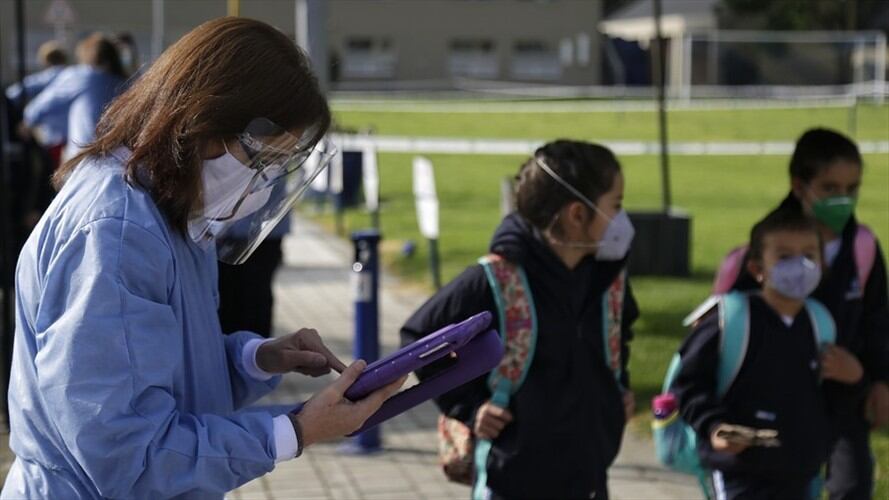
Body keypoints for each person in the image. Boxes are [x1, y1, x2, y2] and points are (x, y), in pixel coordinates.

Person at [2, 18, 402, 499]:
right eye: (260, 161)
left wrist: (258, 358)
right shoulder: (117, 234)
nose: (263, 184)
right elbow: (129, 456)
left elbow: (162, 372)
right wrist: (294, 430)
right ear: (203, 122)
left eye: (277, 167)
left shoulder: (169, 208)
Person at [401, 140, 639, 499]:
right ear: (577, 215)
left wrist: (616, 385)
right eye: (616, 205)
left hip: (589, 475)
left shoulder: (609, 280)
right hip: (511, 478)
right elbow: (418, 337)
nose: (622, 219)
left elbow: (620, 331)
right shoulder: (498, 279)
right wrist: (471, 407)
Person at [715, 128, 889, 499]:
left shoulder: (863, 247)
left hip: (845, 399)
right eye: (830, 188)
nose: (842, 199)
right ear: (799, 186)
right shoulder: (766, 248)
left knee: (853, 485)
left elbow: (877, 320)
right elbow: (735, 329)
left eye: (852, 188)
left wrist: (875, 379)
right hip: (779, 405)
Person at [673, 207, 864, 499]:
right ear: (757, 269)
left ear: (822, 264)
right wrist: (715, 425)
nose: (799, 265)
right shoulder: (730, 320)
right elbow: (689, 383)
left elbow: (831, 401)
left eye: (809, 255)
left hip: (800, 472)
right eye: (785, 256)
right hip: (739, 472)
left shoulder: (820, 323)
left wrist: (854, 379)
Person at [22, 33, 126, 162]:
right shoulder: (125, 82)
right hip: (120, 158)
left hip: (84, 155)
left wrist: (27, 122)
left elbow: (40, 106)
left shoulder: (82, 76)